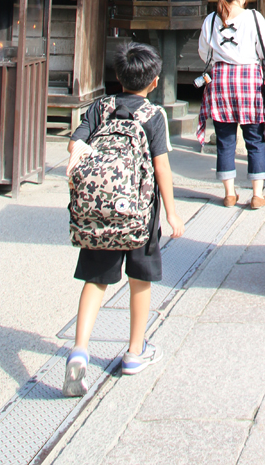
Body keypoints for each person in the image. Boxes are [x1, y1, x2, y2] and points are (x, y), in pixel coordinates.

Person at [62, 44, 185, 396]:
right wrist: (172, 212)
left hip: (99, 213)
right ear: (155, 81)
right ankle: (134, 351)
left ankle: (79, 349)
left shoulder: (100, 108)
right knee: (140, 279)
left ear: (118, 76)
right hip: (139, 214)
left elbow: (75, 145)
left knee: (95, 279)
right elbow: (161, 167)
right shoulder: (153, 116)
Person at [197, 0, 265, 209]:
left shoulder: (211, 20)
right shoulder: (253, 17)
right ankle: (256, 195)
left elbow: (204, 53)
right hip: (249, 81)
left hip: (220, 81)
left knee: (225, 139)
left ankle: (229, 194)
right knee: (254, 139)